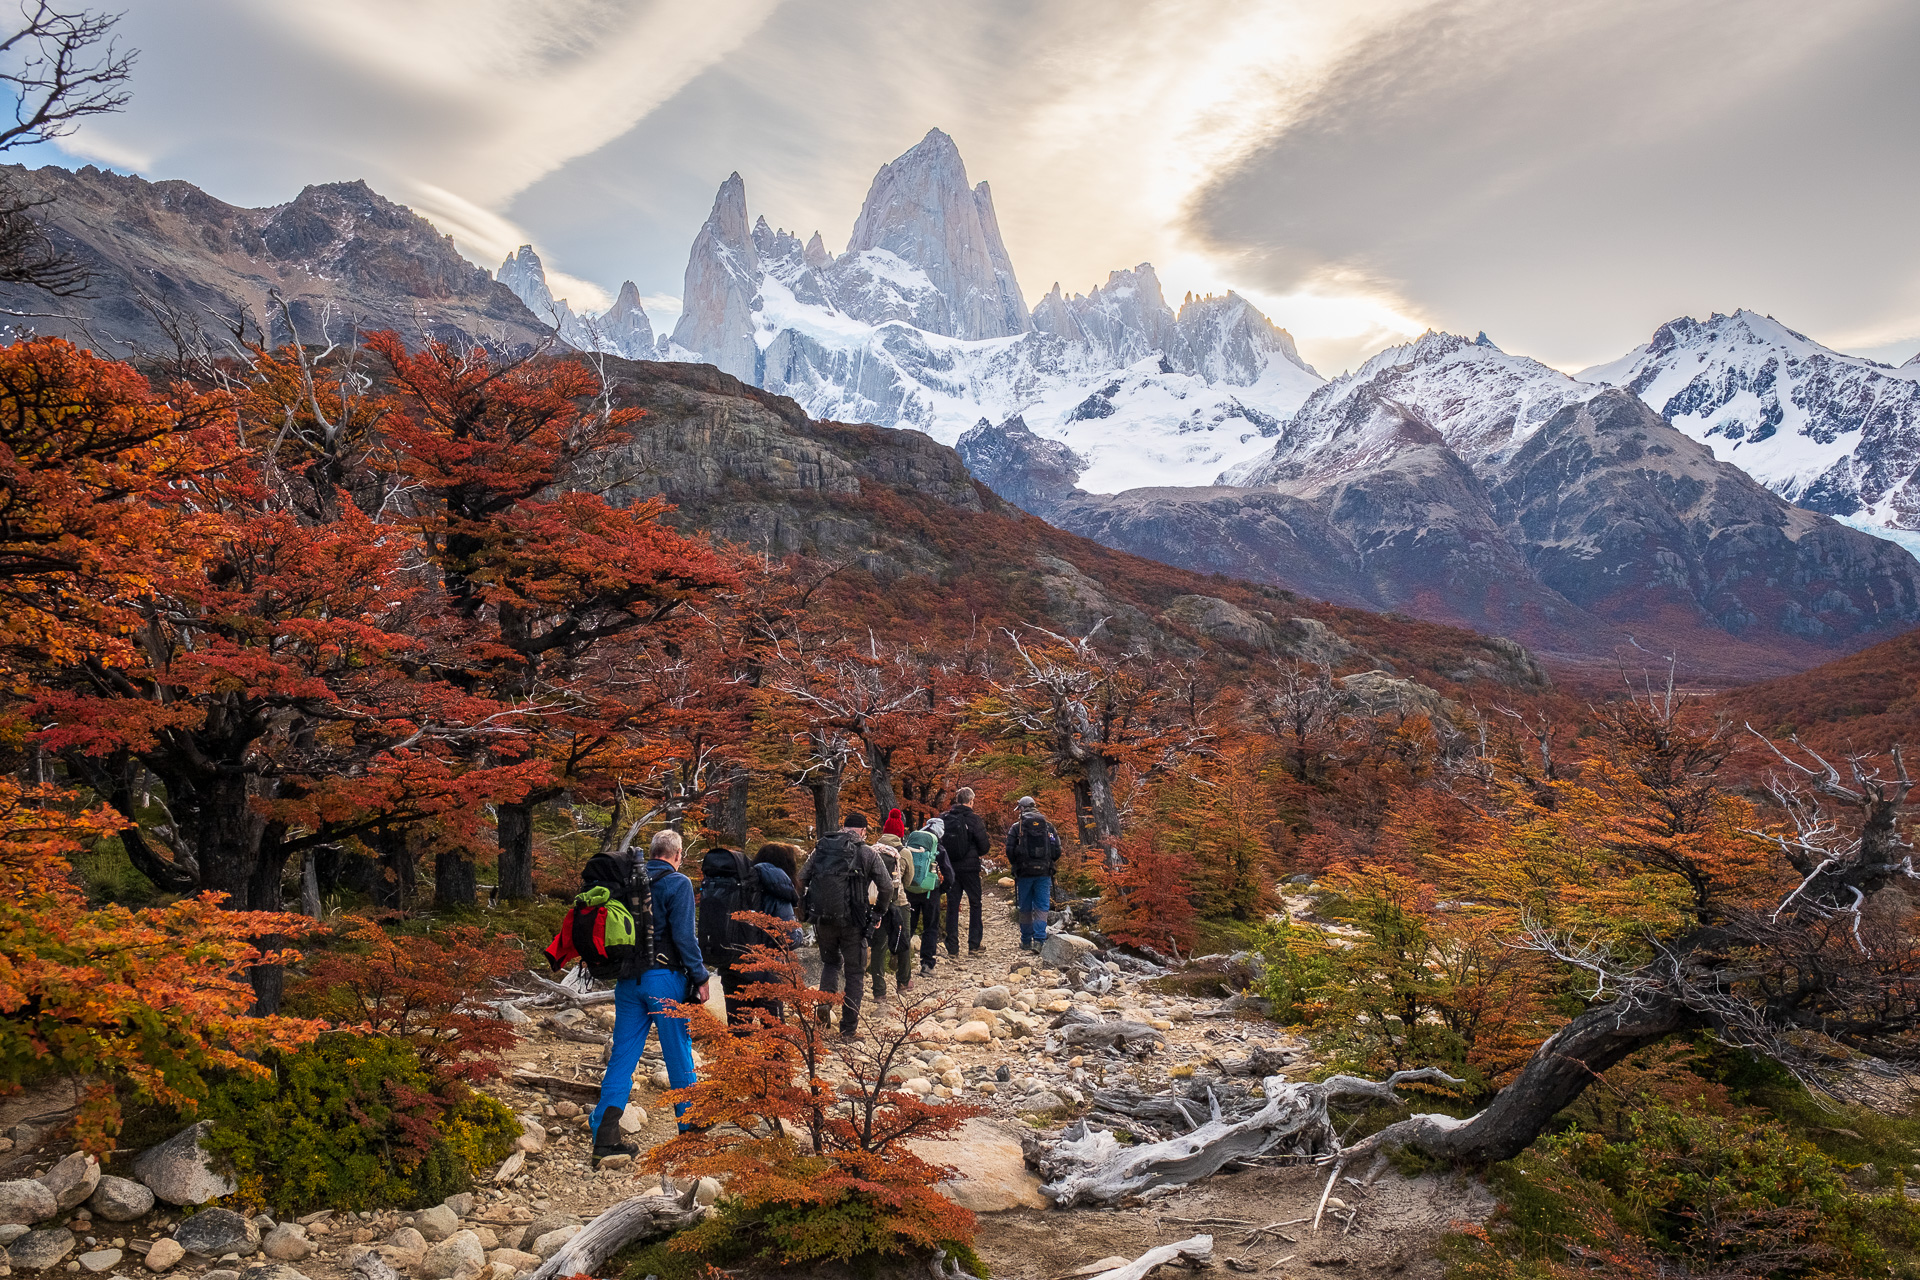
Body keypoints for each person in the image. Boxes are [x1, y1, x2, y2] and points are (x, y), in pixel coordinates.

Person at [592, 829, 709, 1159]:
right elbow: (685, 938)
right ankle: (690, 1126)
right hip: (665, 980)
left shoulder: (625, 882)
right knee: (677, 1050)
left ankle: (605, 1137)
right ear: (676, 855)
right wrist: (700, 978)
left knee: (623, 1057)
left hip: (628, 981)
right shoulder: (678, 883)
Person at [797, 812, 895, 1039]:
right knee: (854, 973)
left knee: (830, 963)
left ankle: (825, 1003)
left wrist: (803, 908)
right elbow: (887, 887)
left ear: (843, 827)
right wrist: (878, 913)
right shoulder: (868, 852)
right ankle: (848, 1029)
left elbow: (801, 878)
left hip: (822, 919)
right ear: (863, 831)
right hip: (854, 921)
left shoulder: (821, 848)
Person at [697, 844, 799, 1027]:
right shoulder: (777, 890)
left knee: (738, 1034)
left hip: (731, 967)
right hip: (766, 974)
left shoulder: (740, 885)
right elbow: (788, 936)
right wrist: (799, 935)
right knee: (775, 1038)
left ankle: (734, 1055)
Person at [937, 787, 991, 959]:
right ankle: (974, 945)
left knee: (953, 906)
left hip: (950, 867)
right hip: (970, 869)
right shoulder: (974, 819)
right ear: (970, 801)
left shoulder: (944, 818)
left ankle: (952, 948)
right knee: (975, 903)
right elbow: (984, 847)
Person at [1005, 796, 1063, 952]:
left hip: (1024, 873)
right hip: (1044, 873)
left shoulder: (1017, 828)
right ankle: (1039, 940)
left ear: (1022, 809)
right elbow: (1057, 850)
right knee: (1042, 906)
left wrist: (1016, 865)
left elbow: (1009, 851)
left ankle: (1025, 941)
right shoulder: (1048, 827)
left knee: (1025, 906)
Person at [867, 810, 912, 1000]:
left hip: (875, 903)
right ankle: (903, 982)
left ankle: (879, 990)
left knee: (878, 945)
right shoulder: (904, 853)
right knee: (903, 941)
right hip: (899, 903)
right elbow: (908, 881)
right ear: (900, 833)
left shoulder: (870, 850)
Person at [905, 817, 952, 975]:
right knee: (930, 928)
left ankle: (902, 964)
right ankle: (927, 965)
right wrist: (941, 889)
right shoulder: (937, 847)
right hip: (930, 893)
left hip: (910, 890)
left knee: (908, 926)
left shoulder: (911, 843)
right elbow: (949, 875)